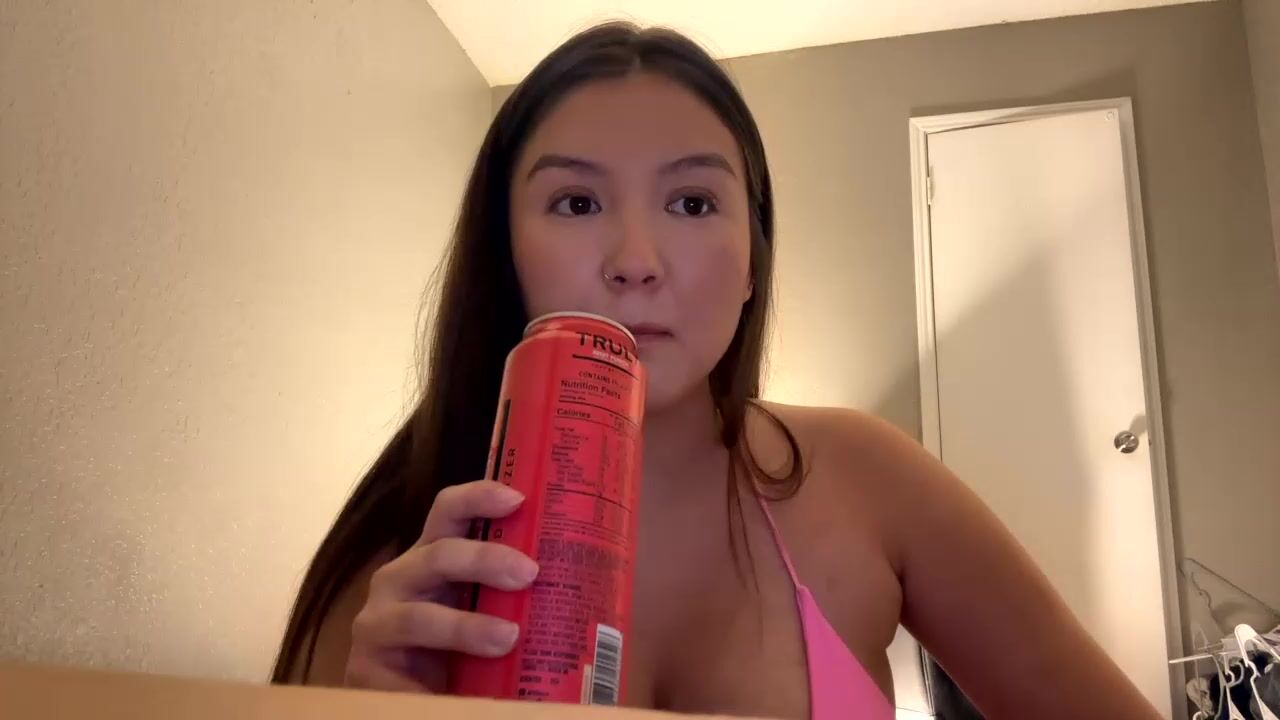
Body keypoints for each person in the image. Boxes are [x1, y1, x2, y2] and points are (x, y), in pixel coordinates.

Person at [272, 22, 1161, 720]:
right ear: (506, 254)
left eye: (693, 202)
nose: (635, 260)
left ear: (751, 264)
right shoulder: (401, 558)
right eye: (576, 201)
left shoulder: (870, 480)